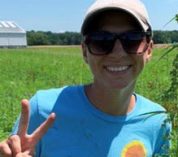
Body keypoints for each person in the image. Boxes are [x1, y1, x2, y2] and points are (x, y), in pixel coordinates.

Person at [0, 0, 171, 156]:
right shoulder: (43, 110)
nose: (118, 53)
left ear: (149, 49)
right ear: (84, 52)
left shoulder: (157, 121)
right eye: (101, 40)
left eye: (132, 39)